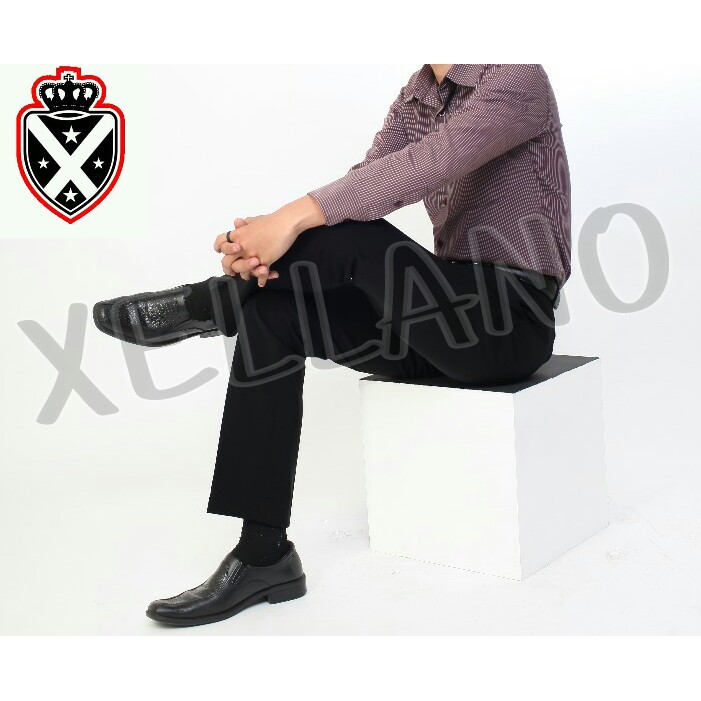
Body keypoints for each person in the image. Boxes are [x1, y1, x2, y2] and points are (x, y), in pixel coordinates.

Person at [93, 64, 571, 627]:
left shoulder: (516, 78)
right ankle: (264, 554)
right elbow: (366, 183)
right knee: (274, 313)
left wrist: (282, 225)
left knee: (356, 236)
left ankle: (207, 304)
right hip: (435, 326)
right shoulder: (419, 95)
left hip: (505, 324)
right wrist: (268, 239)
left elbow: (422, 168)